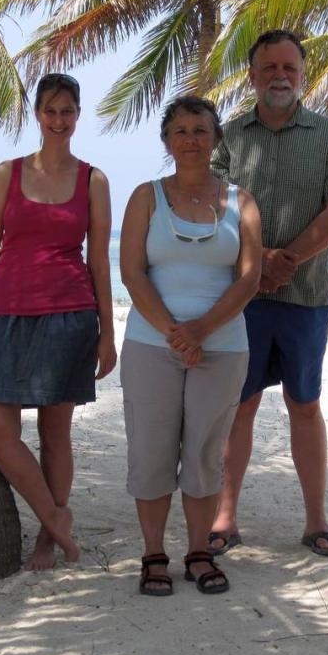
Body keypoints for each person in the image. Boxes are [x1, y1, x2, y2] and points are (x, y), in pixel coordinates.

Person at [209, 29, 328, 558]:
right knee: (239, 406)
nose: (280, 77)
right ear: (252, 75)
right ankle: (225, 517)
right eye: (269, 68)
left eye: (289, 68)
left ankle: (316, 520)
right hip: (240, 301)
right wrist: (258, 264)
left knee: (304, 405)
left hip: (306, 297)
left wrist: (284, 260)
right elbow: (212, 205)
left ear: (302, 74)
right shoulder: (227, 138)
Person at [0, 73, 116, 570]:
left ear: (78, 115)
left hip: (69, 315)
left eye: (67, 111)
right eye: (50, 111)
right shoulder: (8, 173)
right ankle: (56, 518)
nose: (59, 120)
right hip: (5, 315)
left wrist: (108, 335)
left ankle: (47, 539)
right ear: (37, 114)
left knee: (56, 435)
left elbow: (99, 262)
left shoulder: (93, 179)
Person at [119, 96, 262, 596]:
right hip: (150, 343)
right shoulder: (145, 197)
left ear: (216, 138)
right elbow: (132, 273)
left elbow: (249, 278)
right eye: (179, 131)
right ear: (166, 142)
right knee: (152, 450)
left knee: (204, 452)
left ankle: (199, 550)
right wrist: (174, 332)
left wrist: (199, 330)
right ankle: (154, 553)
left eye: (200, 130)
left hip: (221, 347)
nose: (190, 140)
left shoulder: (241, 202)